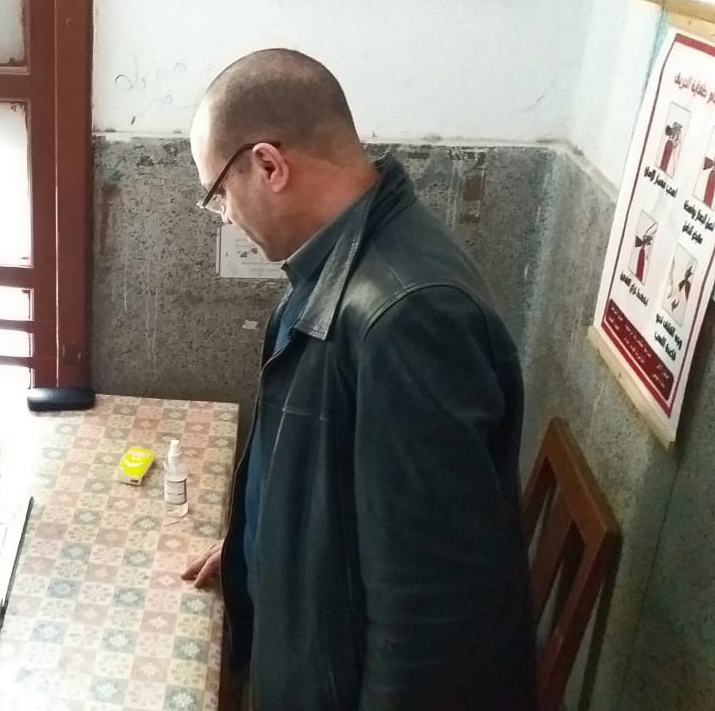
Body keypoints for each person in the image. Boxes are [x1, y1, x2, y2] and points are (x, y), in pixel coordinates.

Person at [180, 50, 535, 710]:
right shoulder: (338, 260)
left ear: (269, 165)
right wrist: (256, 542)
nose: (225, 215)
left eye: (219, 193)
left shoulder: (408, 316)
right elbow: (326, 468)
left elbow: (431, 609)